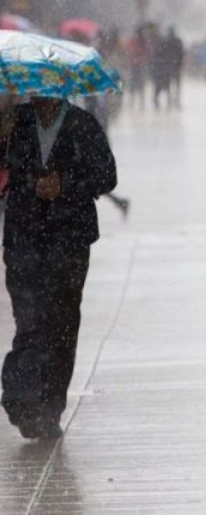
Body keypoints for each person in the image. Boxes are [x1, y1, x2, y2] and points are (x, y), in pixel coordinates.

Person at [0, 95, 117, 440]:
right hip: (23, 240)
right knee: (30, 322)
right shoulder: (14, 122)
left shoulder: (83, 125)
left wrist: (64, 185)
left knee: (62, 324)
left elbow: (107, 177)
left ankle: (50, 408)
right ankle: (21, 399)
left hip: (69, 242)